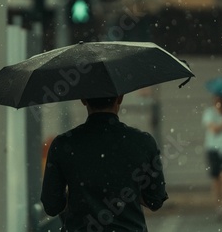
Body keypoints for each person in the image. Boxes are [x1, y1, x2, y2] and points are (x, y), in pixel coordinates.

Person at [41, 95, 168, 231]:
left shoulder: (62, 144)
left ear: (83, 100)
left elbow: (52, 205)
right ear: (120, 98)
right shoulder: (143, 142)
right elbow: (156, 200)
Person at [202, 95, 222, 220]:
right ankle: (218, 205)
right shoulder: (209, 113)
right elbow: (214, 129)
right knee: (216, 180)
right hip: (212, 149)